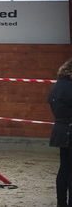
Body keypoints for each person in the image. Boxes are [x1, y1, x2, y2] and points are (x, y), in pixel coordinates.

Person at [48, 58, 72, 207]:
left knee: (64, 168)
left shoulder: (57, 86)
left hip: (61, 129)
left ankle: (61, 203)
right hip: (69, 128)